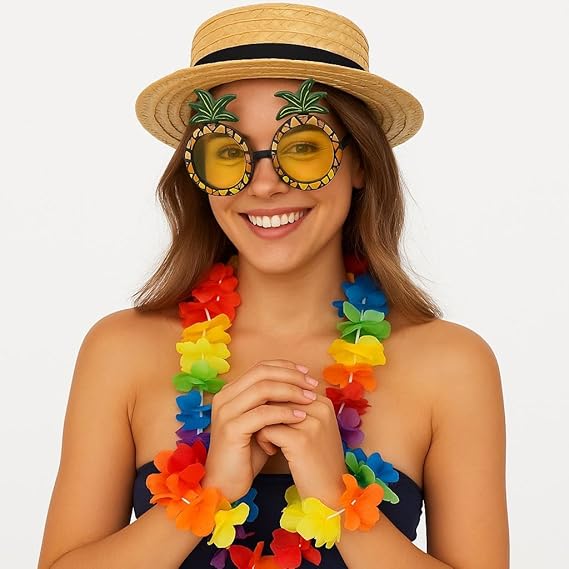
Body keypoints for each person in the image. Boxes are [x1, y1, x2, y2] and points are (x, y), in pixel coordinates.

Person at [38, 3, 509, 569]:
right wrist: (210, 492)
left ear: (360, 162)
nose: (263, 185)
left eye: (302, 148)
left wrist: (334, 497)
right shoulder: (120, 352)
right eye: (228, 153)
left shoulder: (452, 365)